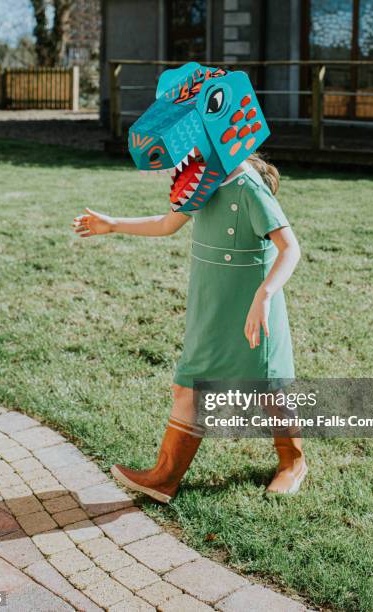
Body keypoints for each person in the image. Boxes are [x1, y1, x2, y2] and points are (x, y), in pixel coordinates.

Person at [73, 152, 307, 501]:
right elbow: (167, 223)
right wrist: (114, 224)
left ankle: (293, 463)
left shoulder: (250, 188)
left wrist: (265, 294)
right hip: (211, 304)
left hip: (252, 307)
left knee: (268, 388)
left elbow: (290, 249)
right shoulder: (203, 178)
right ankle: (163, 478)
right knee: (189, 386)